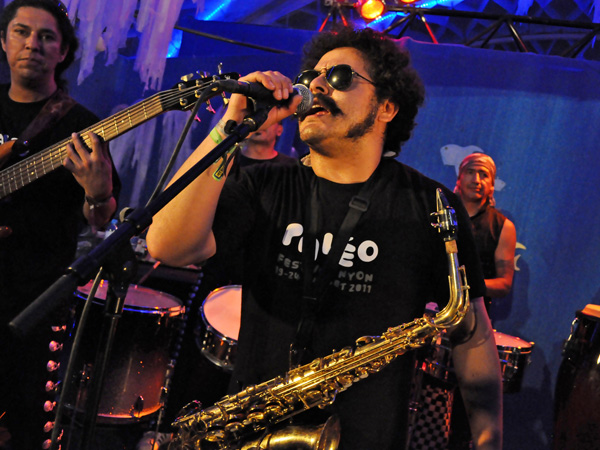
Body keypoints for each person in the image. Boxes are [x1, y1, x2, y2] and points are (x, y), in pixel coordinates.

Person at [146, 27, 502, 450]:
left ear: (387, 107)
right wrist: (230, 125)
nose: (315, 85)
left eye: (339, 77)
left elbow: (473, 334)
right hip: (253, 436)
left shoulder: (431, 204)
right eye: (310, 76)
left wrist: (489, 438)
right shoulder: (263, 186)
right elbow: (167, 246)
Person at [0, 1, 120, 448]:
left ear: (64, 51)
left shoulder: (81, 127)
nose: (32, 44)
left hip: (35, 304)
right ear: (3, 40)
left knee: (27, 426)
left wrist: (97, 193)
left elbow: (101, 219)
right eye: (21, 31)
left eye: (47, 36)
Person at [454, 152, 517, 313]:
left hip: (472, 313)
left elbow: (504, 284)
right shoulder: (437, 214)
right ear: (459, 179)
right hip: (426, 309)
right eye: (470, 172)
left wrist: (461, 286)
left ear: (492, 185)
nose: (476, 180)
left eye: (484, 175)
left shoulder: (503, 227)